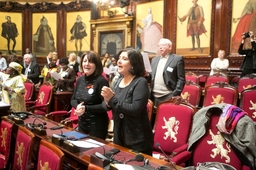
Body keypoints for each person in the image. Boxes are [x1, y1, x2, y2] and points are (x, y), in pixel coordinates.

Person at [101, 48, 153, 155]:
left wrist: (111, 100)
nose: (119, 61)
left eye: (124, 59)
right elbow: (107, 105)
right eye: (119, 58)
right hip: (119, 135)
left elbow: (135, 109)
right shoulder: (117, 81)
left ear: (133, 64)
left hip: (137, 139)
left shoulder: (140, 82)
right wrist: (107, 101)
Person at [70, 51, 109, 140]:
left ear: (96, 65)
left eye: (90, 62)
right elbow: (73, 99)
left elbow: (106, 106)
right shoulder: (80, 79)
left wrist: (86, 108)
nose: (87, 64)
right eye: (85, 61)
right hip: (82, 124)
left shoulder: (101, 81)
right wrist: (78, 106)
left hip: (97, 126)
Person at [150, 38, 185, 107]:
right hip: (153, 96)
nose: (160, 47)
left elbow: (181, 79)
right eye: (159, 45)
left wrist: (174, 94)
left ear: (170, 47)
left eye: (163, 45)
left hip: (168, 95)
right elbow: (151, 77)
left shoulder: (177, 59)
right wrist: (147, 74)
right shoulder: (154, 60)